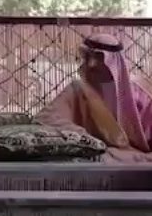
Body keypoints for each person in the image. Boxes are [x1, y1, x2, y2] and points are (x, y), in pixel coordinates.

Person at [35, 33, 152, 162]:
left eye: (99, 57)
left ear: (114, 61)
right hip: (96, 154)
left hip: (135, 157)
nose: (91, 64)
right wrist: (85, 138)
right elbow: (46, 118)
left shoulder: (139, 92)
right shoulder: (78, 89)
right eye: (87, 56)